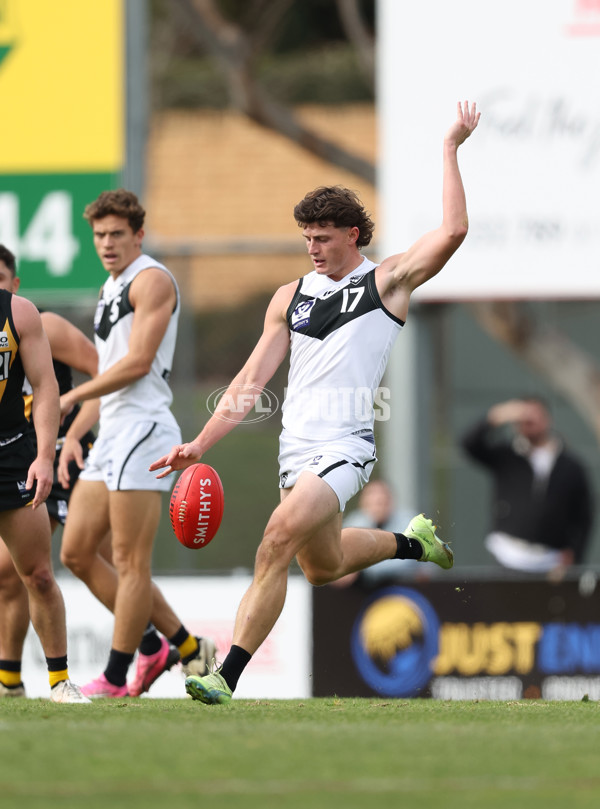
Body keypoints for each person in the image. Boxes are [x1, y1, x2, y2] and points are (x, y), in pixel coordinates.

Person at [150, 101, 481, 705]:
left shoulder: (388, 282)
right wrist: (199, 443)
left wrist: (449, 149)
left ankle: (225, 676)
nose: (312, 247)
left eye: (323, 238)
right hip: (293, 449)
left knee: (274, 540)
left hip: (343, 449)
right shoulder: (289, 296)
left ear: (353, 235)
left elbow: (454, 232)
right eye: (306, 237)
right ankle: (412, 543)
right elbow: (250, 381)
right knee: (321, 566)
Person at [57, 190, 214, 698]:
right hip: (112, 435)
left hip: (145, 431)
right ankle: (174, 646)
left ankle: (116, 676)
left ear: (138, 235)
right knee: (79, 552)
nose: (106, 243)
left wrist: (74, 394)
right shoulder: (111, 287)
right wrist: (75, 434)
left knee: (129, 561)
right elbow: (110, 378)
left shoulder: (151, 280)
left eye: (116, 234)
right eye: (99, 235)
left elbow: (138, 364)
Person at [0, 245, 98, 698]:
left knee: (37, 574)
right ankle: (8, 679)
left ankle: (59, 682)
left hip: (12, 457)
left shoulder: (20, 315)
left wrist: (44, 456)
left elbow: (45, 387)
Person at [461, 397, 594, 577]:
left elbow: (584, 516)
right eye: (523, 417)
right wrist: (497, 416)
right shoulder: (507, 456)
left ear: (548, 419)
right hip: (508, 556)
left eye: (535, 415)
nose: (529, 421)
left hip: (551, 562)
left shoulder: (571, 466)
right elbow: (469, 444)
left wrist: (574, 554)